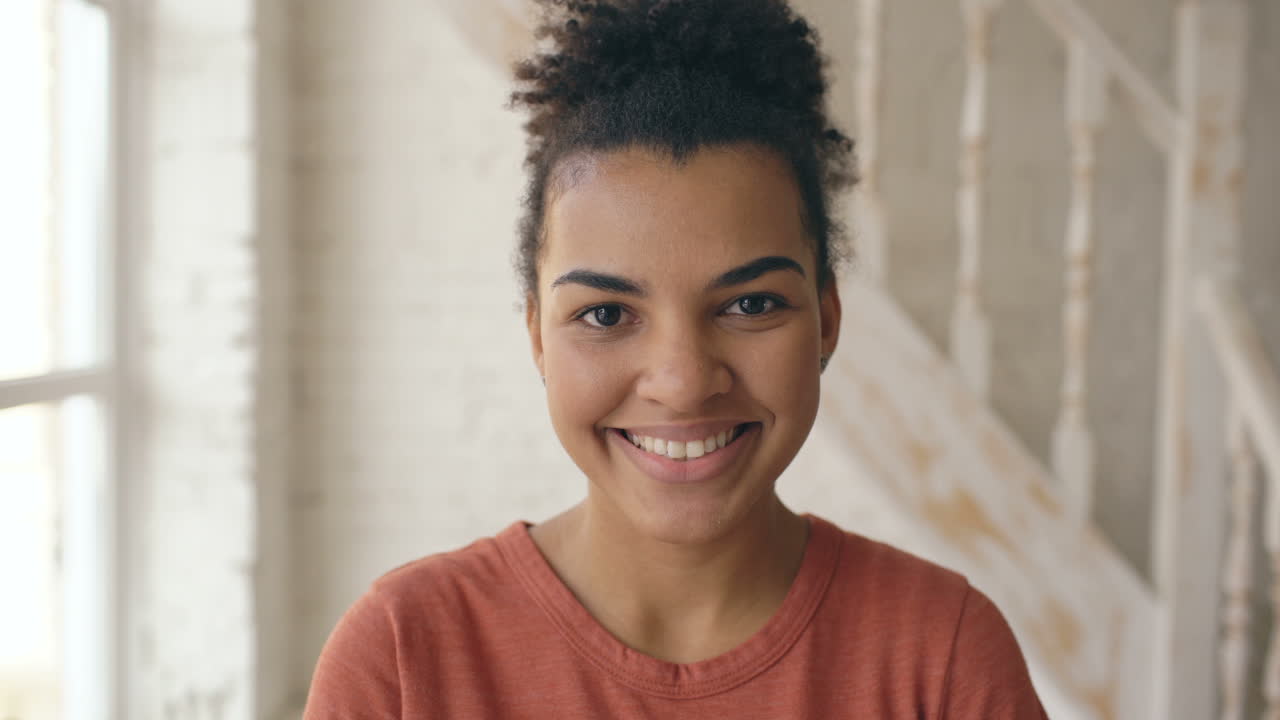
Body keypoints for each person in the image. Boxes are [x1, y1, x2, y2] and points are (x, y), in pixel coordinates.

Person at [303, 0, 1049, 717]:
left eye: (750, 305)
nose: (685, 382)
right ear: (537, 336)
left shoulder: (944, 659)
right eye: (606, 314)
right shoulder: (403, 659)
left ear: (826, 320)